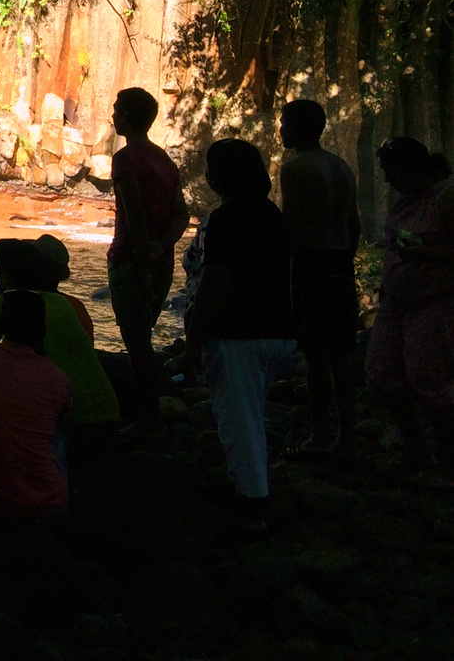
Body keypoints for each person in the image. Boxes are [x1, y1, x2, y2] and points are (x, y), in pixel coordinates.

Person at [181, 139, 298, 532]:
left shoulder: (226, 219)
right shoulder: (273, 216)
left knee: (239, 419)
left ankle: (252, 505)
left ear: (221, 177)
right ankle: (257, 489)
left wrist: (195, 339)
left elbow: (216, 283)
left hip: (238, 335)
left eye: (212, 168)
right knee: (253, 414)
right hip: (280, 330)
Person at [278, 99, 362, 456]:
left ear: (295, 128)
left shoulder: (294, 168)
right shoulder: (341, 166)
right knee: (340, 354)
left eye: (283, 123)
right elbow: (353, 223)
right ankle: (348, 435)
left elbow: (290, 224)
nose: (280, 129)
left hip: (310, 264)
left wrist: (280, 271)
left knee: (315, 356)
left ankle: (320, 437)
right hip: (340, 262)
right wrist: (346, 258)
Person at [0, 238, 121, 431]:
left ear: (5, 275)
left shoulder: (1, 305)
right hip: (106, 414)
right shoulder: (66, 305)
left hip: (65, 422)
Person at [106, 87, 190, 437]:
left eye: (116, 109)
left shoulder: (126, 160)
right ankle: (151, 415)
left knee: (136, 343)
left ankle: (148, 422)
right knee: (143, 338)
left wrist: (142, 264)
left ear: (127, 117)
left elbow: (135, 214)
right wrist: (161, 248)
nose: (112, 115)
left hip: (131, 261)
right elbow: (182, 216)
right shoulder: (164, 161)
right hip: (161, 262)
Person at [366, 137, 454, 468]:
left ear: (412, 169)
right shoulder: (404, 203)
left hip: (434, 302)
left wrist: (426, 253)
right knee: (380, 372)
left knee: (430, 383)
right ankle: (416, 448)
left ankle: (447, 461)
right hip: (397, 303)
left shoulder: (446, 198)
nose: (388, 180)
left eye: (392, 172)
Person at [0, 291, 72, 522]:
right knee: (56, 432)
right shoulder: (58, 378)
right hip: (51, 505)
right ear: (41, 328)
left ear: (1, 325)